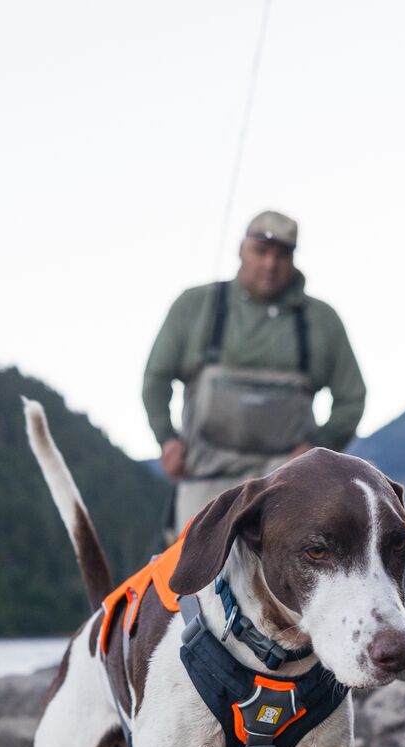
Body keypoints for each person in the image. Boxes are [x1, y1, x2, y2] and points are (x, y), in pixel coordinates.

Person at [143, 210, 367, 527]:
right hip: (204, 476)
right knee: (194, 571)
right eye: (260, 251)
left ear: (293, 259)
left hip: (288, 481)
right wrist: (167, 439)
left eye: (281, 254)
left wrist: (319, 446)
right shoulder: (195, 306)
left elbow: (352, 396)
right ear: (241, 249)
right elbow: (156, 379)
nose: (270, 264)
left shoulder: (322, 320)